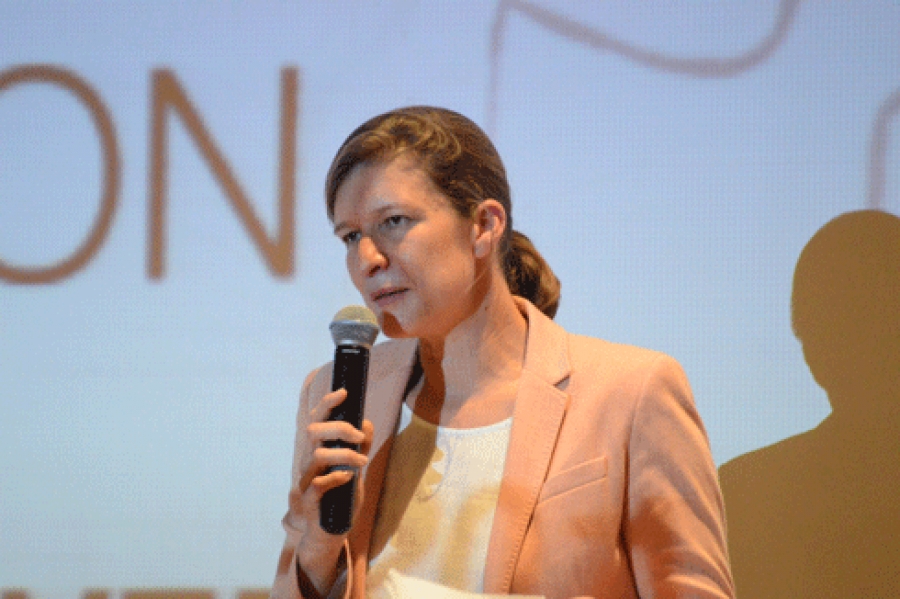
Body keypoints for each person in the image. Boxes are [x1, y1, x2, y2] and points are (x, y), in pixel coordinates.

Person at [271, 106, 734, 599]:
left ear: (484, 226)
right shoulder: (338, 394)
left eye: (394, 222)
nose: (367, 259)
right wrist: (317, 548)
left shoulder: (633, 392)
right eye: (351, 237)